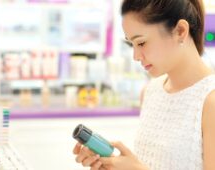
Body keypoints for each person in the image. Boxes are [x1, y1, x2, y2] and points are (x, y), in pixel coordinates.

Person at [73, 0, 215, 169]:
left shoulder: (210, 101)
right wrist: (113, 164)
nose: (135, 56)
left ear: (180, 31)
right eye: (130, 44)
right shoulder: (150, 92)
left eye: (141, 43)